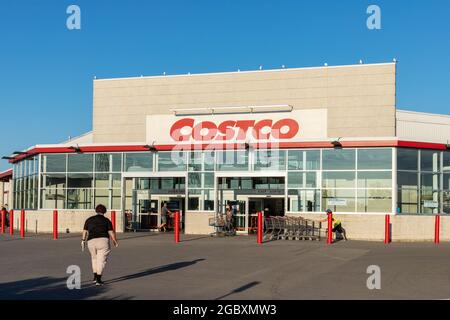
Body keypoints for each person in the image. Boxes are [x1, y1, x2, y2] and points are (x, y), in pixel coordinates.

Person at [82, 204, 119, 286]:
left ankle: (95, 277)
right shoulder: (106, 220)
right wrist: (115, 241)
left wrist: (83, 240)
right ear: (104, 211)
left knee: (94, 259)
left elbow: (84, 231)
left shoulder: (89, 219)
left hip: (91, 241)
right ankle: (98, 280)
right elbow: (110, 232)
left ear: (96, 211)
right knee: (101, 261)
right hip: (103, 241)